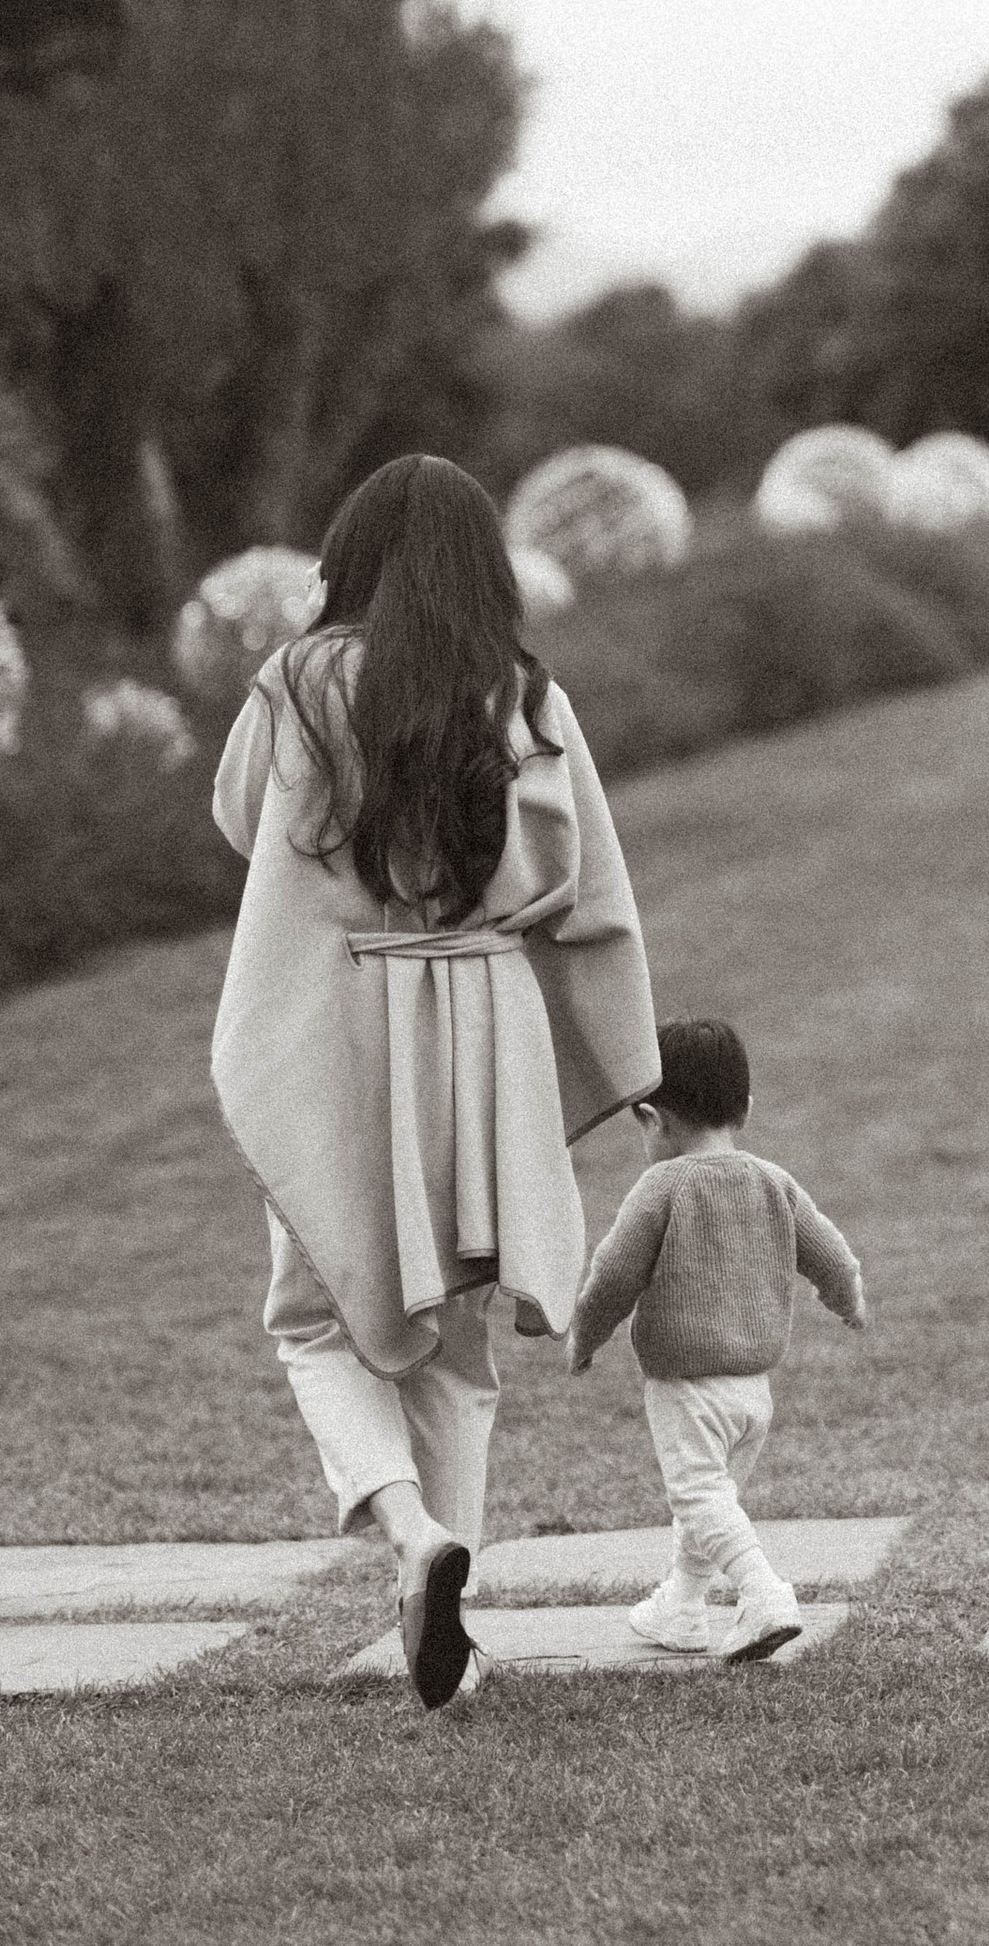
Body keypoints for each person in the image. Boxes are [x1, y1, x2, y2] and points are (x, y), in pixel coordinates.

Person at [211, 453, 658, 1710]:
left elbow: (242, 822)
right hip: (484, 1021)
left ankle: (413, 1542)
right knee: (455, 1332)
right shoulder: (519, 692)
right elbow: (592, 884)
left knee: (314, 1309)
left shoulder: (302, 680)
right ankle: (449, 1645)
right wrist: (627, 1064)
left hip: (341, 1020)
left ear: (348, 556)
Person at [567, 1014, 868, 1663]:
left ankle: (764, 1594)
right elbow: (832, 1258)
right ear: (747, 1108)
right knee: (711, 1501)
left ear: (655, 1119)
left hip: (686, 1388)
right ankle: (679, 1606)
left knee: (700, 1499)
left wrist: (585, 1338)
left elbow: (613, 1277)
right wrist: (847, 1303)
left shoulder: (662, 1186)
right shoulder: (772, 1181)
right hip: (753, 1395)